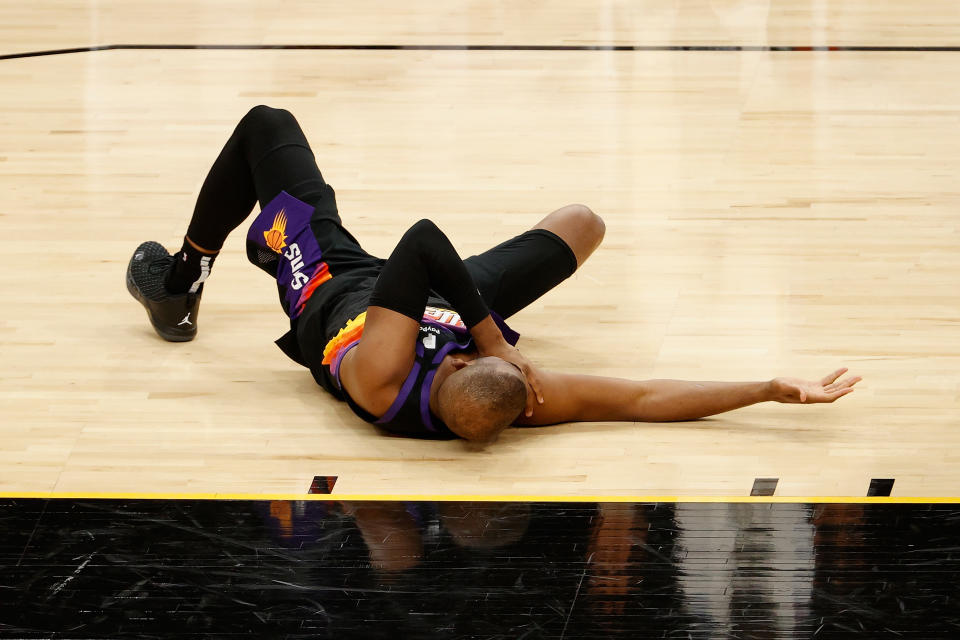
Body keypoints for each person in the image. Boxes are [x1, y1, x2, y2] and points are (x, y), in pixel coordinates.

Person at [126, 106, 860, 443]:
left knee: (267, 126)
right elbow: (641, 397)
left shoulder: (382, 377)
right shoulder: (515, 399)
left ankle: (183, 278)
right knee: (583, 224)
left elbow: (421, 242)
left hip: (336, 285)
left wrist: (495, 339)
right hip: (442, 297)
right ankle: (194, 271)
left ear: (463, 365)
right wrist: (763, 387)